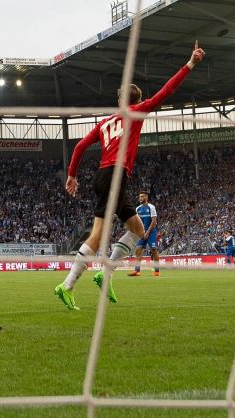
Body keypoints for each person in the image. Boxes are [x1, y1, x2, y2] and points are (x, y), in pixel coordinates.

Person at [55, 41, 205, 310]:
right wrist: (190, 63)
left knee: (136, 229)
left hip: (108, 175)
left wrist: (72, 175)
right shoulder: (136, 112)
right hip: (113, 175)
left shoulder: (104, 123)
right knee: (98, 235)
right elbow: (167, 91)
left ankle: (106, 273)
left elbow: (78, 147)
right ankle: (66, 286)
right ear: (136, 101)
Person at [130, 191, 160, 277]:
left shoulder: (151, 207)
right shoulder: (138, 209)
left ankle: (157, 271)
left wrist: (147, 232)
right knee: (138, 250)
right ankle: (137, 271)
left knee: (153, 250)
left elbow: (154, 221)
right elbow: (136, 221)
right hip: (141, 232)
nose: (140, 198)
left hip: (151, 231)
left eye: (142, 196)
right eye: (140, 197)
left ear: (146, 197)